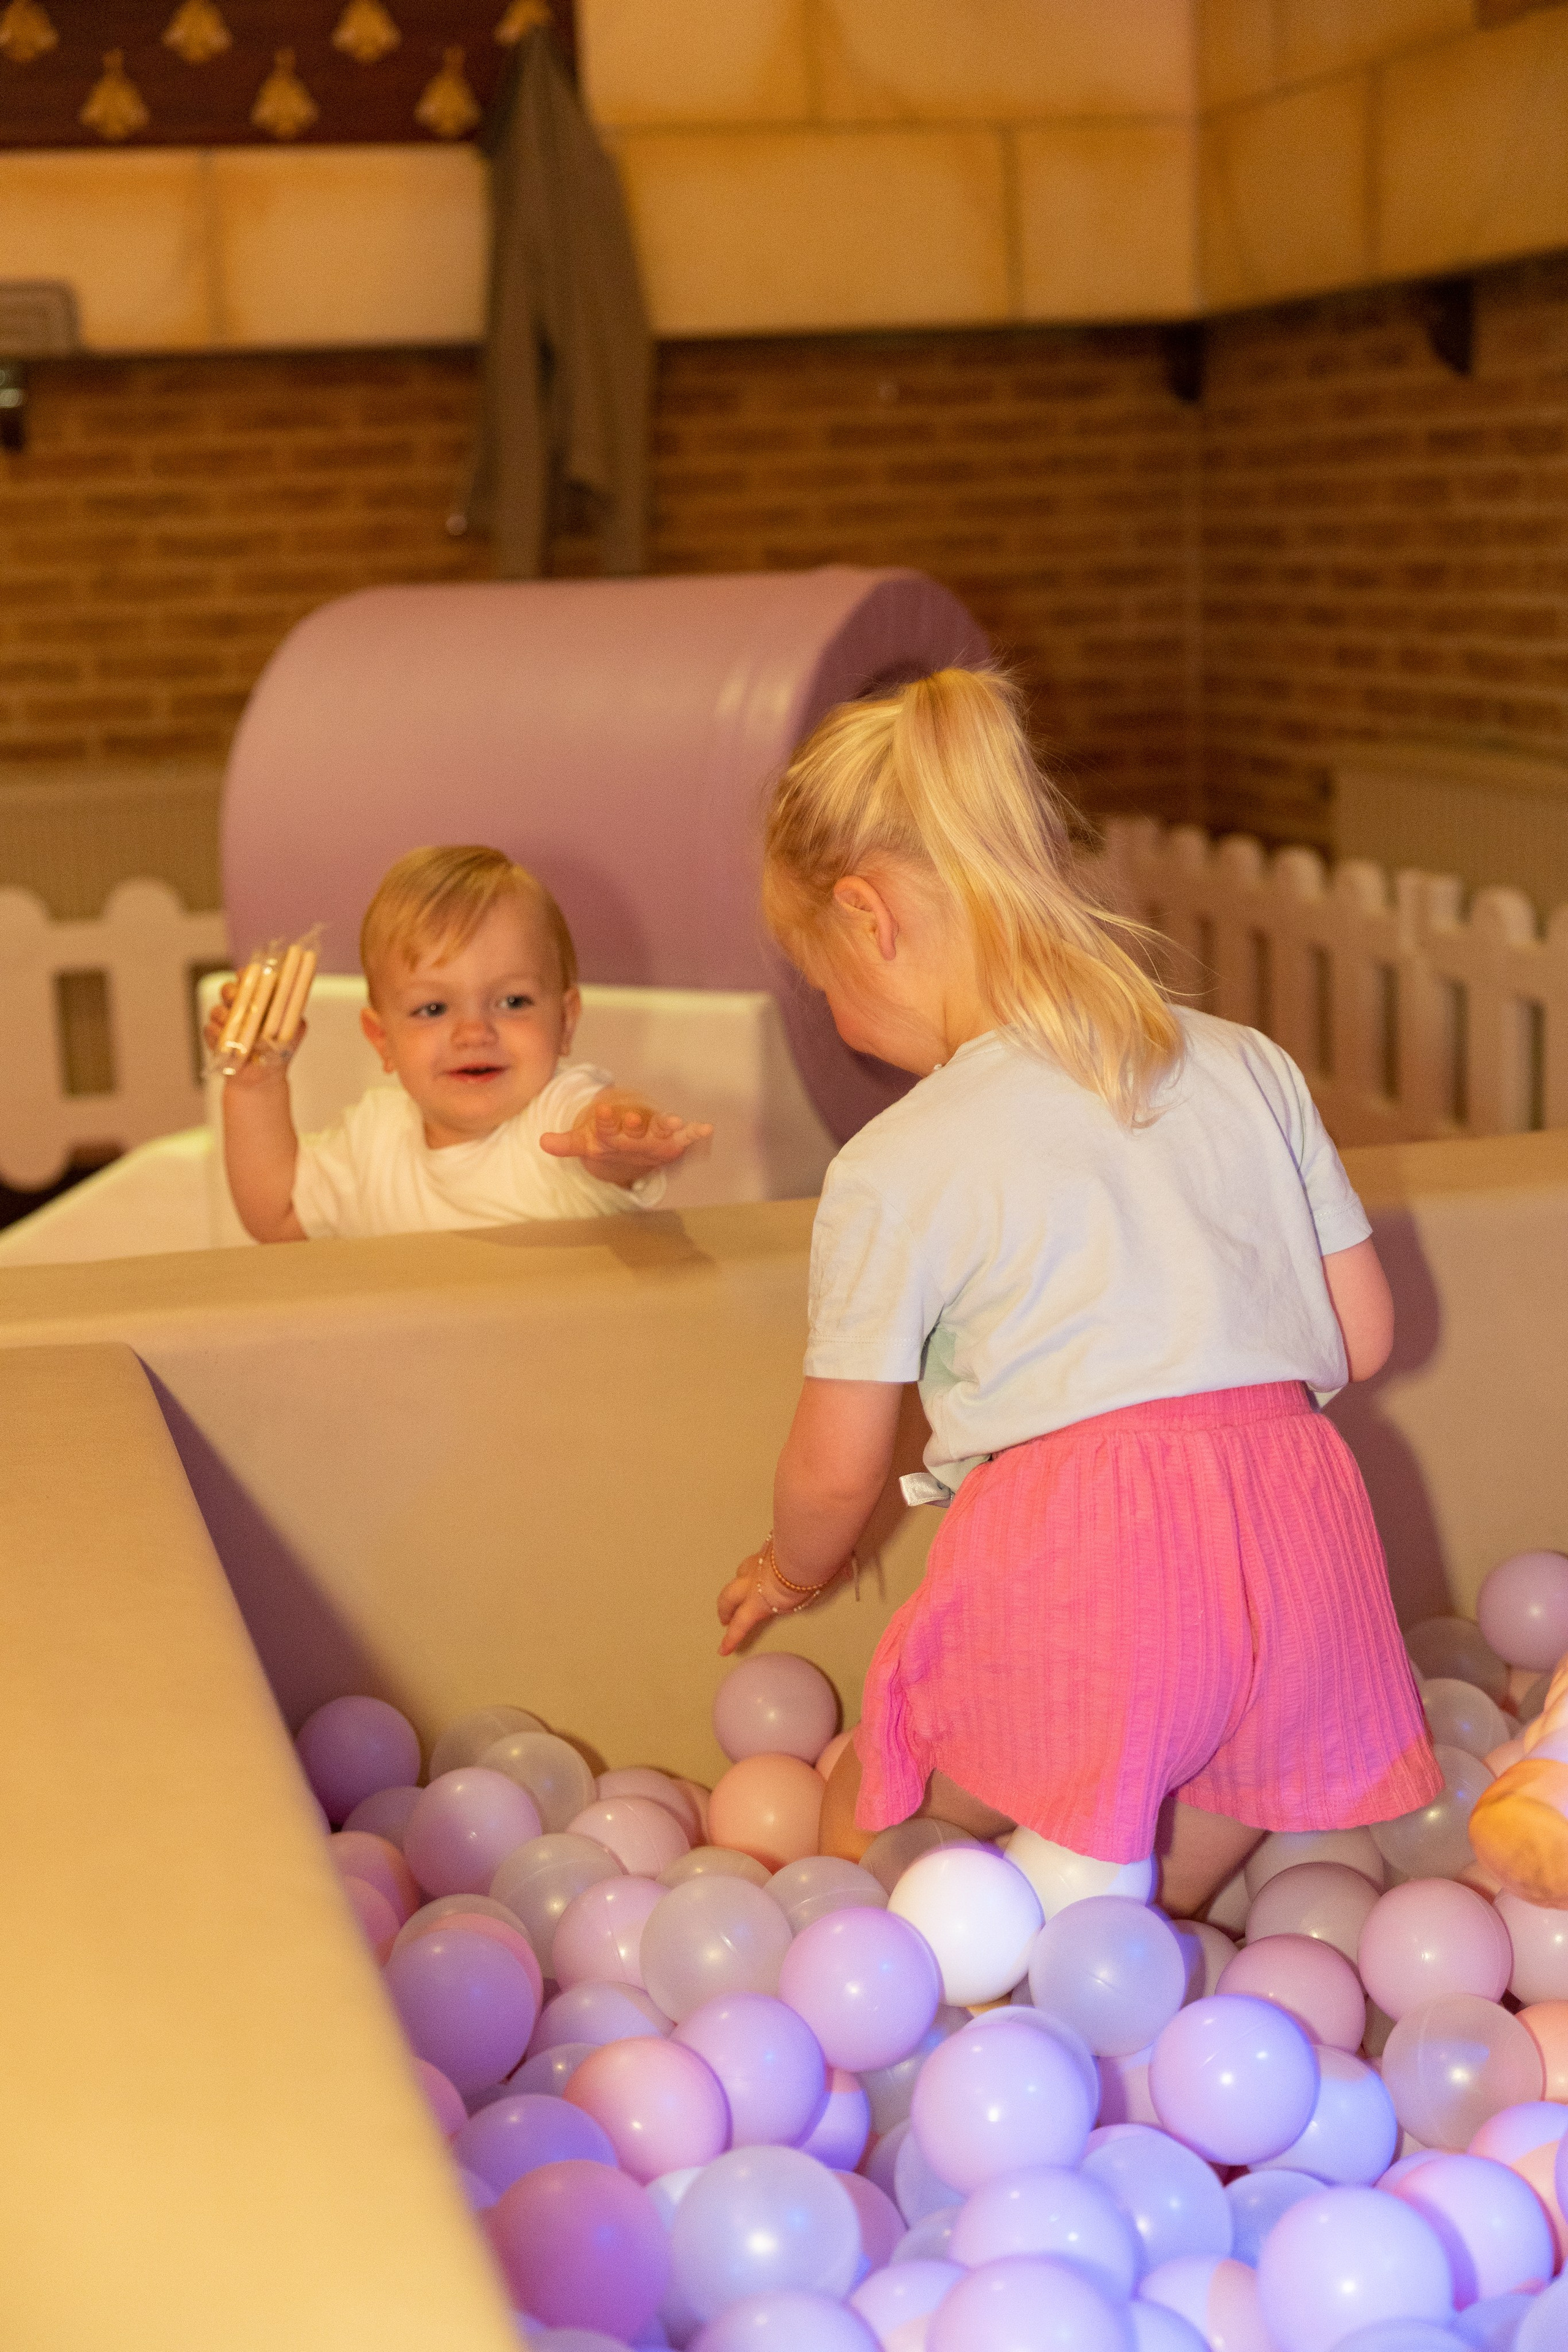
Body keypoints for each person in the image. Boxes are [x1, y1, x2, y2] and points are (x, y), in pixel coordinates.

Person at [715, 668, 1439, 1917]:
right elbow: (1359, 1339)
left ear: (868, 916)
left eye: (815, 974)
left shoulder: (897, 1160)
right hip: (1299, 1554)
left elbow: (837, 1472)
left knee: (874, 1802)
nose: (829, 1011)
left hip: (1083, 1568)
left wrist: (789, 1571)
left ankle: (903, 2007)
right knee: (1147, 1903)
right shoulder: (1246, 1062)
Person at [206, 843, 711, 1243]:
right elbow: (278, 1215)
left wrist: (622, 1137)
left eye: (512, 1002)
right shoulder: (372, 1142)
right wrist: (255, 1089)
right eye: (433, 1009)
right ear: (383, 1041)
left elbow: (599, 1127)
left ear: (566, 1021)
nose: (474, 1033)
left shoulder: (555, 1124)